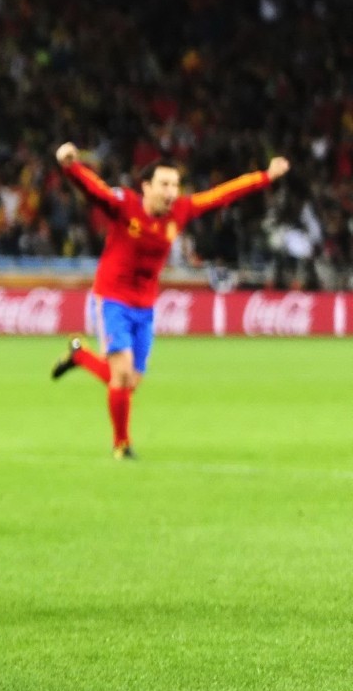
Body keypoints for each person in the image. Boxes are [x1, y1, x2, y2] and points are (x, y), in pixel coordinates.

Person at [51, 144, 289, 458]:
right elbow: (95, 191)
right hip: (112, 299)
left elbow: (221, 195)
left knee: (129, 382)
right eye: (164, 184)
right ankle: (121, 445)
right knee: (121, 374)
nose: (171, 192)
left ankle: (80, 356)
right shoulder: (125, 206)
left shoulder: (181, 211)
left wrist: (265, 177)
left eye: (175, 185)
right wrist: (71, 166)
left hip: (145, 306)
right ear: (146, 187)